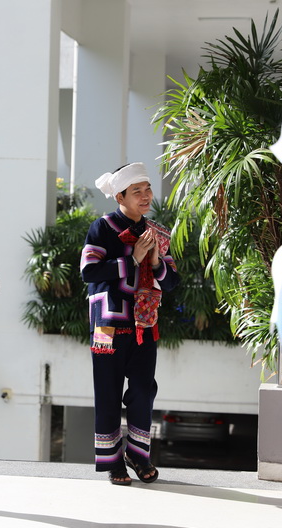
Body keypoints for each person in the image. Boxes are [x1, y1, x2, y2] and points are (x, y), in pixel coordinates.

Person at [80, 162, 180, 485]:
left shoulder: (157, 233)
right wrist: (132, 259)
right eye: (137, 191)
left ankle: (138, 454)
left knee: (143, 390)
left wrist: (154, 260)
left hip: (145, 325)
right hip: (107, 326)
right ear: (119, 196)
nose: (146, 196)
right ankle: (113, 462)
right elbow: (89, 271)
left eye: (147, 189)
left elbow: (172, 281)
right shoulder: (102, 228)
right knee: (107, 393)